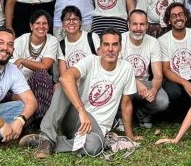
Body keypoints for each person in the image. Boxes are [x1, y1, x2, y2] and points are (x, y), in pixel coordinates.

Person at [26, 29, 139, 158]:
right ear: (100, 48)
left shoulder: (126, 68)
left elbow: (126, 104)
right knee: (64, 86)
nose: (110, 49)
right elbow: (65, 78)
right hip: (77, 118)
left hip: (97, 129)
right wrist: (81, 110)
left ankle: (45, 142)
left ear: (120, 47)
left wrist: (130, 136)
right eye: (106, 44)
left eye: (115, 44)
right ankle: (46, 138)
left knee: (94, 146)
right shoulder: (91, 61)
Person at [158, 3, 191, 117]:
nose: (178, 18)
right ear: (169, 21)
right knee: (173, 92)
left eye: (181, 14)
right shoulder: (163, 40)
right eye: (174, 16)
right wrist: (184, 82)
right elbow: (166, 70)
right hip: (174, 80)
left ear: (186, 17)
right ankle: (178, 114)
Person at [120, 10, 169, 128]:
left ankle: (142, 113)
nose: (138, 28)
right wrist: (136, 82)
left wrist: (154, 90)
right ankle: (119, 116)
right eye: (135, 24)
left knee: (162, 101)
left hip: (144, 83)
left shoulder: (153, 42)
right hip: (122, 81)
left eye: (142, 24)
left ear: (147, 25)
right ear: (128, 24)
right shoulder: (120, 40)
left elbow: (158, 75)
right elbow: (116, 70)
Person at [11, 10, 58, 125]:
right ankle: (29, 122)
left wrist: (22, 60)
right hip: (20, 84)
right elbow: (12, 69)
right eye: (37, 23)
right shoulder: (20, 41)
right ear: (31, 26)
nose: (41, 26)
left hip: (40, 85)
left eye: (45, 23)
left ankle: (41, 121)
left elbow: (45, 66)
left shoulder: (52, 40)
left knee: (42, 74)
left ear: (48, 27)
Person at [55, 6, 100, 78]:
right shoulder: (61, 45)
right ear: (62, 24)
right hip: (73, 82)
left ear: (80, 22)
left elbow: (103, 63)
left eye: (75, 19)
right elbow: (64, 76)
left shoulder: (92, 37)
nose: (71, 22)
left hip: (93, 80)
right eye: (67, 19)